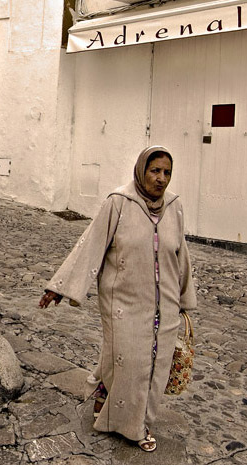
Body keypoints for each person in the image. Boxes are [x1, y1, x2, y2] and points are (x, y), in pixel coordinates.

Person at [39, 146, 197, 452]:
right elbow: (91, 244)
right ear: (141, 170)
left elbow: (181, 256)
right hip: (123, 302)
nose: (161, 179)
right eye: (155, 171)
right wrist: (60, 286)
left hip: (163, 307)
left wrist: (184, 301)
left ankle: (131, 413)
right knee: (131, 363)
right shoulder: (119, 203)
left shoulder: (174, 207)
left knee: (155, 366)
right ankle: (131, 427)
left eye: (166, 172)